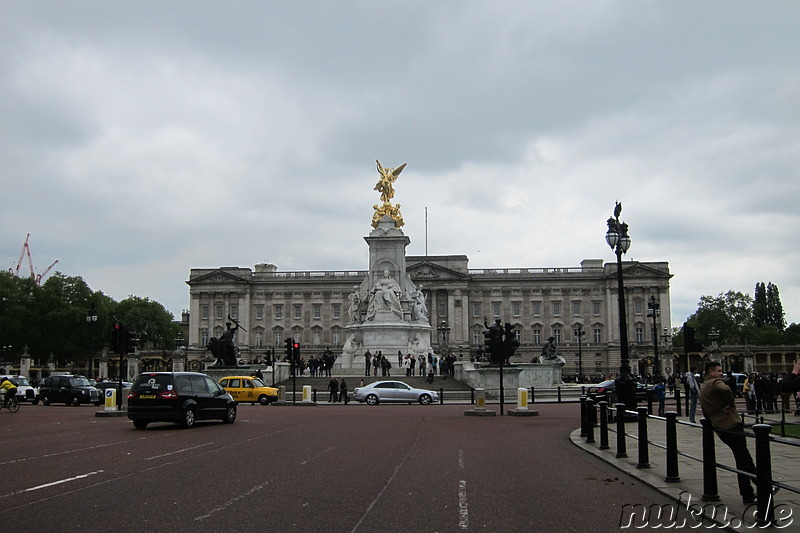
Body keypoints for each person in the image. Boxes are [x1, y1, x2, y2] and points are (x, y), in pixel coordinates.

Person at [699, 361, 757, 505]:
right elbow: (725, 390)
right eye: (719, 370)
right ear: (711, 372)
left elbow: (706, 411)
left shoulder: (703, 387)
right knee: (743, 460)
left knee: (744, 458)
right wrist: (730, 404)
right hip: (731, 424)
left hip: (720, 427)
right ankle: (749, 494)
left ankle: (761, 486)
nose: (721, 373)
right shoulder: (715, 382)